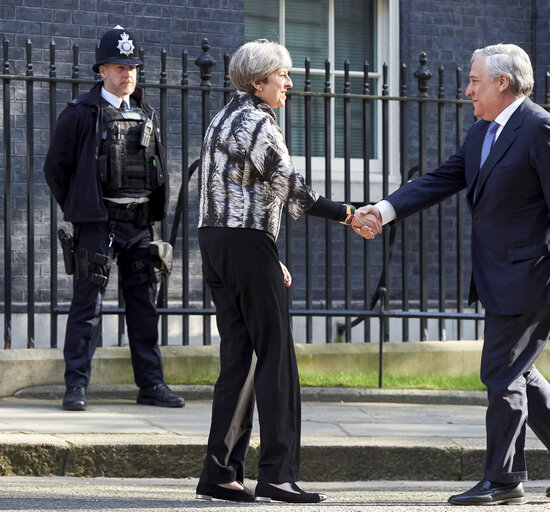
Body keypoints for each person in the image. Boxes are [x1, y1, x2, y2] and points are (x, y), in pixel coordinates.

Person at [359, 43, 550, 505]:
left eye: (474, 81)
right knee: (516, 369)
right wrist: (385, 209)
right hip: (499, 276)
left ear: (502, 83)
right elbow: (441, 178)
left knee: (501, 374)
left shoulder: (543, 131)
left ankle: (505, 479)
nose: (467, 89)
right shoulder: (482, 133)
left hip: (534, 277)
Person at [194, 39, 380, 504]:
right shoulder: (260, 123)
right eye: (283, 75)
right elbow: (293, 190)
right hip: (247, 244)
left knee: (239, 357)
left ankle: (219, 473)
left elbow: (229, 189)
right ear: (259, 81)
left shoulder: (221, 118)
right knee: (276, 357)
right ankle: (277, 474)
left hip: (216, 242)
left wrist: (265, 251)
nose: (289, 83)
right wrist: (349, 214)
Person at [44, 26, 184, 411]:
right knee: (87, 307)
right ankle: (76, 387)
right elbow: (56, 169)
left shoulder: (146, 113)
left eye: (133, 67)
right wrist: (82, 210)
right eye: (120, 67)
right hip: (99, 224)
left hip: (139, 225)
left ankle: (151, 385)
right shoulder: (80, 113)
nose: (128, 74)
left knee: (144, 308)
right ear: (102, 70)